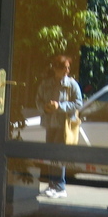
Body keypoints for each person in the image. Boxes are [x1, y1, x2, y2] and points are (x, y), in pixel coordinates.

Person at [35, 55, 83, 199]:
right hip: (50, 123)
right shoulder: (46, 84)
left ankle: (60, 186)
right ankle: (52, 185)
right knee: (50, 154)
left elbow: (78, 104)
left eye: (68, 68)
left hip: (64, 125)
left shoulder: (72, 84)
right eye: (64, 68)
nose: (67, 71)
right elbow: (38, 99)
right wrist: (45, 107)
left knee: (58, 155)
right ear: (55, 68)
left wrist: (60, 106)